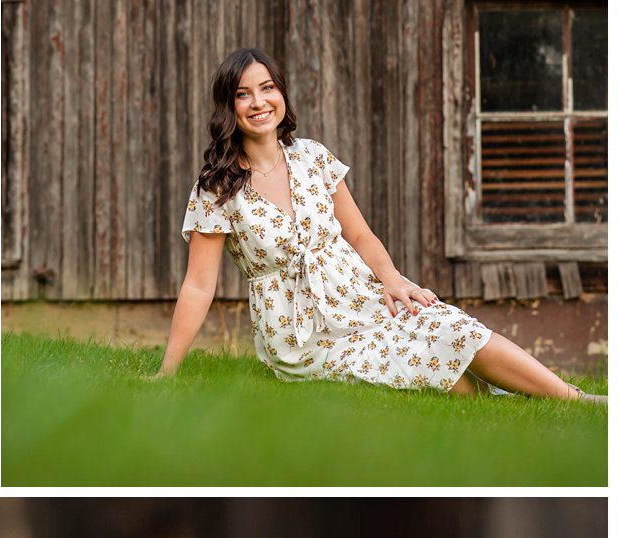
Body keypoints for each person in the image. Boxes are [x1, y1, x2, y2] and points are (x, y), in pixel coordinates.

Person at [159, 48, 592, 398]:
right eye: (243, 94)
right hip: (301, 333)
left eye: (267, 88)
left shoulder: (313, 157)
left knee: (450, 327)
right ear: (228, 106)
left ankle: (576, 400)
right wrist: (167, 372)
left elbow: (360, 233)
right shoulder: (216, 187)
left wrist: (393, 281)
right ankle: (535, 398)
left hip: (359, 296)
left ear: (281, 93)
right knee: (456, 384)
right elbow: (199, 285)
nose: (259, 103)